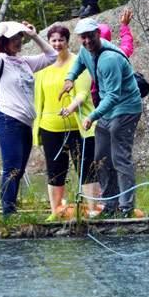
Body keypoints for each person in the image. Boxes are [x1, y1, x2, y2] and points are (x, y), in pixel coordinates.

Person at [61, 17, 142, 218]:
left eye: (90, 36)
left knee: (119, 157)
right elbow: (80, 62)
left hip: (125, 108)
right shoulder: (85, 51)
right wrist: (70, 78)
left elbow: (114, 95)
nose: (87, 41)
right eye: (83, 37)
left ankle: (126, 207)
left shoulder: (110, 59)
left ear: (98, 33)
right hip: (107, 110)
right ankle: (110, 204)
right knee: (101, 158)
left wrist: (92, 115)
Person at [0, 21, 57, 216]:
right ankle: (8, 212)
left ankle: (11, 206)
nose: (18, 41)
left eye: (19, 38)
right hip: (8, 119)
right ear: (3, 42)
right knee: (11, 168)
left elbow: (52, 56)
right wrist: (0, 32)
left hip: (25, 123)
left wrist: (34, 35)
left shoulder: (24, 62)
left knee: (19, 169)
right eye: (13, 38)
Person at [33, 24, 100, 218]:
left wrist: (70, 108)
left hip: (78, 127)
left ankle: (94, 209)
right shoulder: (42, 67)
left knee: (86, 168)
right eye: (53, 40)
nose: (57, 44)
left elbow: (82, 92)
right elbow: (39, 99)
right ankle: (55, 211)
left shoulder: (78, 62)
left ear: (67, 41)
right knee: (55, 171)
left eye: (60, 40)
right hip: (50, 127)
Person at [92, 7, 135, 106]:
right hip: (117, 101)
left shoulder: (86, 59)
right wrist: (124, 26)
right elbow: (127, 44)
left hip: (98, 103)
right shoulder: (117, 54)